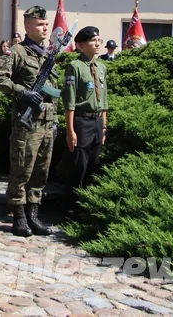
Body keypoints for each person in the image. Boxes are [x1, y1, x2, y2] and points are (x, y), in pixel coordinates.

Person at [0, 6, 57, 237]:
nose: (45, 27)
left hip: (47, 124)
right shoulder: (17, 52)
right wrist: (22, 92)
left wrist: (55, 120)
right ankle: (18, 217)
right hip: (27, 124)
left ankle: (33, 215)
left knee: (41, 171)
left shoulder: (48, 54)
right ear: (28, 26)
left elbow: (54, 92)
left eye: (46, 24)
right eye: (40, 24)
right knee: (22, 170)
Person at [61, 26, 108, 211]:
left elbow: (104, 100)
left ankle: (87, 206)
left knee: (94, 165)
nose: (97, 44)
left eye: (99, 41)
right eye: (93, 41)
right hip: (82, 121)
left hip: (97, 121)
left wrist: (104, 127)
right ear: (80, 45)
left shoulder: (101, 67)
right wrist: (70, 130)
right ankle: (71, 208)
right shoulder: (75, 67)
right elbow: (70, 101)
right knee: (78, 166)